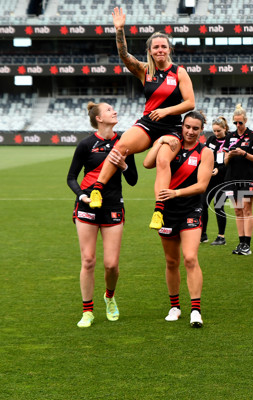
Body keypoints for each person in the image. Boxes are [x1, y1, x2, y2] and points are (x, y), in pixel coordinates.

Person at [88, 7, 195, 232]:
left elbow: (190, 103)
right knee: (121, 147)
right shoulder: (145, 71)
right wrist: (119, 30)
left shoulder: (179, 72)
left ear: (169, 49)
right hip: (148, 123)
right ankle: (97, 188)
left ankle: (159, 210)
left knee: (163, 160)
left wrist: (166, 111)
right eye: (155, 47)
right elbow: (124, 56)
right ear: (150, 50)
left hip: (172, 127)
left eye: (163, 46)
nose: (159, 50)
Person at [67, 101, 138, 328]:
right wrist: (81, 196)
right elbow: (71, 177)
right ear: (98, 118)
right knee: (88, 261)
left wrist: (124, 165)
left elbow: (133, 180)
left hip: (113, 207)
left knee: (111, 265)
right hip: (88, 206)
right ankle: (87, 311)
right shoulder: (86, 145)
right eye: (109, 110)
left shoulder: (125, 143)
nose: (114, 111)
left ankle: (109, 296)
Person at [143, 111, 213, 328]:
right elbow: (147, 163)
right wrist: (160, 140)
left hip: (191, 208)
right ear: (182, 126)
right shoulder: (171, 145)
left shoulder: (205, 152)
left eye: (195, 128)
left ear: (202, 131)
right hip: (166, 211)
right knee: (171, 261)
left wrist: (176, 192)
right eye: (188, 127)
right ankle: (175, 306)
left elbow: (202, 186)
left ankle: (195, 310)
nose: (190, 132)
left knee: (190, 258)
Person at [223, 104, 253, 256]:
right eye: (235, 123)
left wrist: (243, 154)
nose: (238, 125)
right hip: (232, 177)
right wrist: (230, 156)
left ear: (246, 121)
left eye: (240, 122)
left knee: (247, 209)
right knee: (238, 211)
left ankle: (247, 244)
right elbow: (224, 161)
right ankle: (241, 243)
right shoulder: (229, 136)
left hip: (247, 177)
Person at [201, 116, 229, 246]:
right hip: (210, 178)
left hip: (224, 179)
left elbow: (231, 161)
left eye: (219, 131)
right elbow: (206, 156)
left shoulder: (230, 140)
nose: (216, 134)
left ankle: (221, 237)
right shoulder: (211, 139)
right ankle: (202, 234)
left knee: (218, 205)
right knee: (202, 204)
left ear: (225, 128)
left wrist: (220, 169)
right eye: (214, 131)